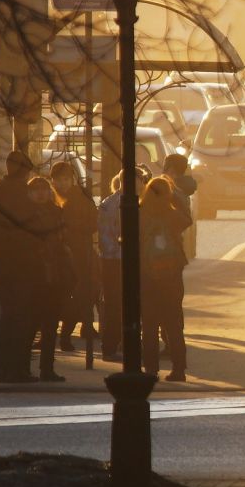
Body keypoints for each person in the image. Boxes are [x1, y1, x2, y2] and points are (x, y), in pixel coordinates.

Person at [0, 150, 42, 383]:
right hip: (24, 265)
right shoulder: (22, 195)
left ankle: (6, 367)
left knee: (9, 315)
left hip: (4, 264)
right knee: (23, 318)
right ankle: (18, 368)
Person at [139, 175, 190, 381]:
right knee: (173, 325)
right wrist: (174, 199)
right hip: (171, 277)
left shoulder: (140, 215)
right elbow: (188, 219)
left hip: (147, 276)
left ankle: (151, 369)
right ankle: (178, 369)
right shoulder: (173, 216)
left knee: (149, 326)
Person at [22, 175, 72, 384]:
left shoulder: (57, 212)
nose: (41, 193)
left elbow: (63, 241)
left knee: (51, 325)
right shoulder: (25, 214)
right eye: (36, 190)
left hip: (55, 276)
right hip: (34, 275)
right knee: (31, 325)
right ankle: (24, 367)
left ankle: (47, 368)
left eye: (44, 189)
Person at [51, 161, 98, 353]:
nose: (62, 184)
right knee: (54, 297)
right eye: (58, 180)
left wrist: (71, 228)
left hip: (79, 253)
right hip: (55, 255)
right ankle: (55, 334)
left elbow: (93, 224)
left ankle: (68, 334)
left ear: (72, 180)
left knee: (79, 294)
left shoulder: (81, 198)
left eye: (65, 180)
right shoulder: (48, 197)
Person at [95, 169, 130, 361]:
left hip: (113, 259)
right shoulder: (110, 205)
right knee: (115, 304)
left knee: (117, 304)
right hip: (115, 261)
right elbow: (105, 235)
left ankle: (115, 344)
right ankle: (111, 344)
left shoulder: (109, 203)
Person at [163, 153, 199, 260]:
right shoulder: (186, 187)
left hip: (165, 240)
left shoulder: (169, 189)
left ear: (171, 169)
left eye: (166, 166)